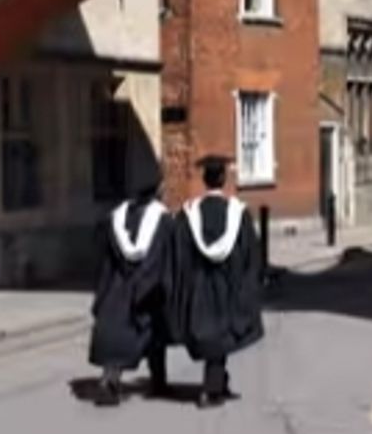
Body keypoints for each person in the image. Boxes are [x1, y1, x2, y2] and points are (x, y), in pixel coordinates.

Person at [171, 155, 265, 408]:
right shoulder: (238, 214)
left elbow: (179, 255)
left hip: (199, 286)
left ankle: (218, 383)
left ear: (203, 180)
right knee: (221, 334)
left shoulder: (188, 215)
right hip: (228, 286)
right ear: (223, 179)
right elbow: (250, 254)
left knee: (210, 334)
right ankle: (210, 390)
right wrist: (251, 282)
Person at [86, 173, 174, 407]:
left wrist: (102, 291)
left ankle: (110, 379)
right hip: (148, 288)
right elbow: (170, 258)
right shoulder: (164, 221)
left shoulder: (115, 218)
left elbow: (103, 259)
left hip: (117, 288)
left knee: (117, 331)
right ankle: (159, 380)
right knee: (154, 332)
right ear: (158, 191)